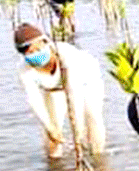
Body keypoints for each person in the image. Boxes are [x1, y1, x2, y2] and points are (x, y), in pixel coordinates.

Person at [15, 23, 105, 158]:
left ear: (46, 42)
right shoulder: (24, 69)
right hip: (52, 88)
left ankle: (98, 159)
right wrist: (50, 128)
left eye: (37, 50)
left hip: (86, 81)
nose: (35, 55)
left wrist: (77, 130)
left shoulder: (66, 54)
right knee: (52, 132)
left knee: (92, 117)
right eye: (30, 53)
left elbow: (75, 95)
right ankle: (55, 167)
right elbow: (34, 100)